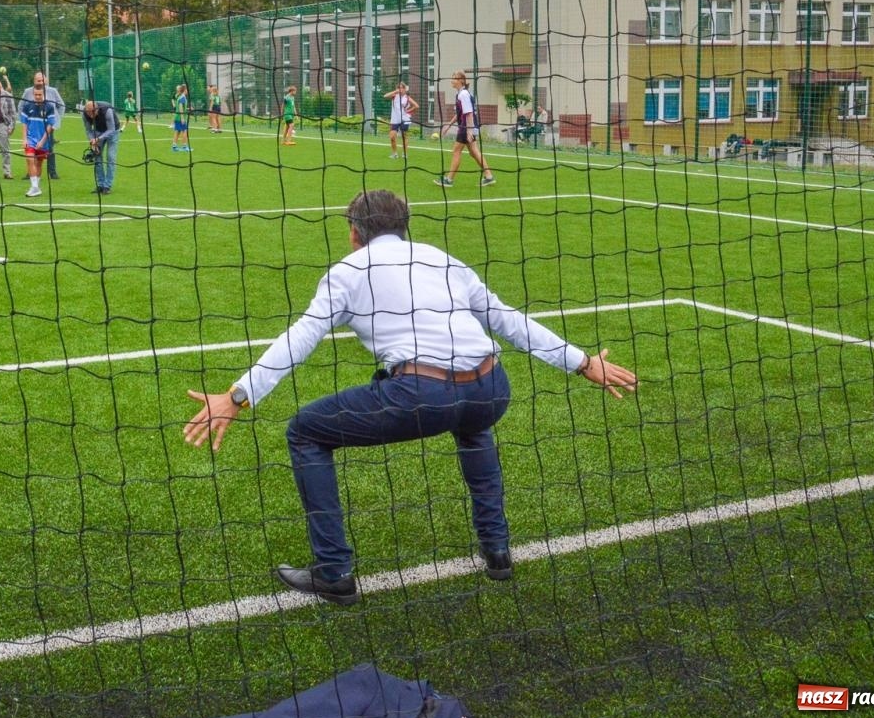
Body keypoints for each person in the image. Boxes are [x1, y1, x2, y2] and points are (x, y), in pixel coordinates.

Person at [183, 189, 637, 605]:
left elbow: (301, 337)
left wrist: (237, 395)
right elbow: (507, 319)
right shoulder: (443, 259)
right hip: (491, 388)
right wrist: (582, 362)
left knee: (305, 431)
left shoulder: (347, 271)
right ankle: (497, 550)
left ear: (354, 233)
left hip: (422, 395)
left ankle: (334, 572)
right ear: (404, 228)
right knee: (473, 425)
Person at [439, 71, 495, 187]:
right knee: (474, 152)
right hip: (468, 126)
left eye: (454, 78)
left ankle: (449, 180)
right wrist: (448, 125)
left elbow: (469, 114)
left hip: (466, 127)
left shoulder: (463, 94)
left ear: (461, 81)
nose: (452, 80)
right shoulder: (461, 94)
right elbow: (460, 114)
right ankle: (489, 176)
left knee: (456, 151)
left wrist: (469, 131)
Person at [20, 72, 66, 178]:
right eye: (38, 80)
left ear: (46, 80)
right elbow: (21, 106)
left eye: (42, 80)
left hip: (48, 125)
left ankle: (52, 172)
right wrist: (24, 120)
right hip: (32, 125)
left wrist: (57, 121)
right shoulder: (28, 91)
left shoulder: (53, 91)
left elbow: (61, 105)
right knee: (30, 149)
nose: (41, 82)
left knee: (49, 148)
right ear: (34, 81)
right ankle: (30, 173)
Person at [18, 85, 57, 197]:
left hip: (43, 140)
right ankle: (34, 187)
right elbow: (24, 124)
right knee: (29, 159)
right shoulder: (27, 106)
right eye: (36, 95)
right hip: (30, 139)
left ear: (43, 94)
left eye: (40, 94)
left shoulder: (49, 107)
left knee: (39, 163)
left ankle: (36, 187)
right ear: (33, 94)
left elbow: (50, 125)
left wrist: (43, 141)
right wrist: (24, 138)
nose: (38, 96)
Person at [81, 98, 120, 195]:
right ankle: (100, 185)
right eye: (88, 113)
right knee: (97, 157)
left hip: (113, 132)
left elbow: (111, 129)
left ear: (97, 109)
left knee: (111, 157)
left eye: (92, 113)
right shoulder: (85, 113)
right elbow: (88, 130)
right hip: (98, 131)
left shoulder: (107, 110)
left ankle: (107, 186)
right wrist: (92, 140)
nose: (90, 115)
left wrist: (98, 139)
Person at [384, 82, 418, 159]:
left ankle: (404, 154)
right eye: (399, 88)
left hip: (405, 119)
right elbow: (385, 96)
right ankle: (395, 154)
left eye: (402, 88)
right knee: (392, 137)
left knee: (404, 136)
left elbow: (416, 106)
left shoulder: (407, 98)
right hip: (395, 119)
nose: (400, 89)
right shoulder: (394, 96)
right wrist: (395, 91)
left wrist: (408, 111)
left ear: (405, 89)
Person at [171, 84, 191, 152]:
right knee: (184, 131)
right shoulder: (182, 97)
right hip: (180, 117)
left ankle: (174, 146)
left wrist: (188, 108)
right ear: (185, 90)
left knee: (177, 132)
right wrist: (182, 118)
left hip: (177, 116)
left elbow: (180, 107)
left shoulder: (180, 97)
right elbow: (180, 107)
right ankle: (185, 146)